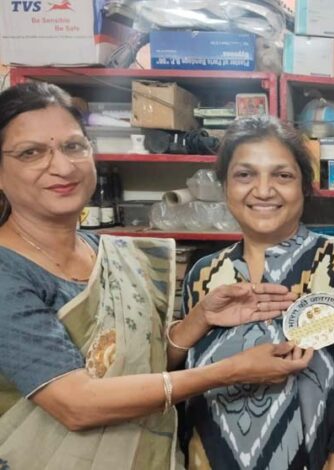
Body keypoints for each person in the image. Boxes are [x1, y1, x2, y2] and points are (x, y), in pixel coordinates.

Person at [0, 82, 314, 469]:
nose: (63, 167)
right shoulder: (7, 271)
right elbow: (76, 404)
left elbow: (140, 366)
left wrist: (199, 319)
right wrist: (230, 371)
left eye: (74, 146)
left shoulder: (114, 254)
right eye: (31, 153)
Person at [180, 115, 334, 469]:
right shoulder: (204, 274)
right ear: (225, 185)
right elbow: (180, 384)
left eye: (282, 175)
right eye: (245, 175)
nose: (263, 190)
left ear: (304, 186)